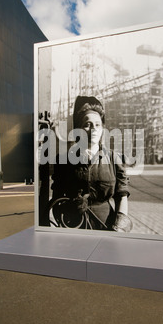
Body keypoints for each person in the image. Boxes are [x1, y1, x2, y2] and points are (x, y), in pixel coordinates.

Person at [49, 95, 132, 232]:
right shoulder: (63, 161)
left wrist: (120, 227)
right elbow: (56, 199)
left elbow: (121, 195)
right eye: (87, 124)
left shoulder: (113, 159)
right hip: (73, 227)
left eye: (97, 124)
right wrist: (69, 208)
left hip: (107, 226)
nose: (93, 129)